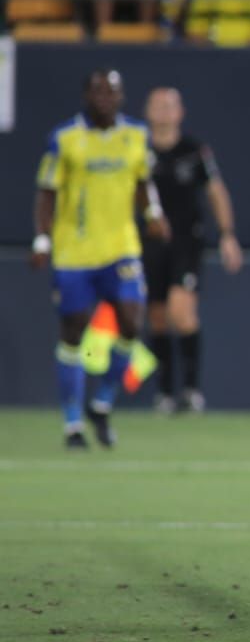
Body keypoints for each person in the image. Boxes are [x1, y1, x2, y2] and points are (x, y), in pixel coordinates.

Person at [30, 69, 171, 450]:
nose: (105, 99)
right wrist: (42, 239)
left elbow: (143, 181)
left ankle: (103, 402)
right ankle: (73, 423)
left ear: (122, 97)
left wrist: (153, 212)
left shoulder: (136, 136)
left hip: (121, 248)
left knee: (131, 322)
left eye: (112, 92)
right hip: (74, 252)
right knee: (74, 332)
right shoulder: (65, 139)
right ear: (86, 97)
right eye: (98, 93)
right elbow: (47, 191)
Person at [141, 87, 243, 415]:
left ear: (180, 112)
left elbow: (216, 191)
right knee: (157, 317)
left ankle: (191, 389)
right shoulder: (138, 151)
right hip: (149, 243)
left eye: (170, 105)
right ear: (147, 111)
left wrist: (227, 235)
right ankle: (164, 392)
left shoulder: (194, 151)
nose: (163, 111)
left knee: (181, 312)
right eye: (158, 105)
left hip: (186, 241)